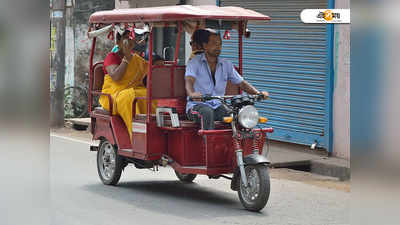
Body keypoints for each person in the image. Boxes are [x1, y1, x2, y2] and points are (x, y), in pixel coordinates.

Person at [185, 29, 269, 130]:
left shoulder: (226, 64)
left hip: (218, 106)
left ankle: (236, 143)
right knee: (207, 112)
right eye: (214, 43)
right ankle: (209, 144)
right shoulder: (194, 62)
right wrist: (192, 94)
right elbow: (189, 80)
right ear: (205, 45)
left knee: (236, 115)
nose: (218, 47)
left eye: (220, 44)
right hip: (196, 106)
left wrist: (258, 93)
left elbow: (242, 83)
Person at [99, 30, 156, 139]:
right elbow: (116, 77)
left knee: (149, 94)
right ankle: (137, 137)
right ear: (118, 41)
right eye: (126, 38)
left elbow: (148, 71)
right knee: (130, 98)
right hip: (114, 95)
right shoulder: (112, 57)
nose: (129, 41)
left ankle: (152, 132)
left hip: (133, 89)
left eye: (130, 38)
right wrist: (126, 58)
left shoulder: (136, 58)